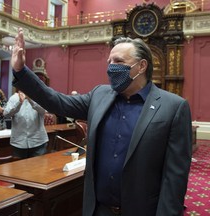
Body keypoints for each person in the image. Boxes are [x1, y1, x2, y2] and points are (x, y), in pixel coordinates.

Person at [10, 28, 193, 216]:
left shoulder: (174, 107)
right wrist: (21, 71)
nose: (111, 67)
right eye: (110, 62)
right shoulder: (99, 95)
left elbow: (175, 177)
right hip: (99, 210)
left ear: (142, 66)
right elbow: (57, 102)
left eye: (119, 61)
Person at [3, 88, 48, 159]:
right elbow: (6, 114)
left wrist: (30, 99)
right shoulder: (13, 98)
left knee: (39, 169)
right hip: (19, 142)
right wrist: (19, 103)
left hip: (37, 141)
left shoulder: (39, 97)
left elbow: (43, 111)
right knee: (19, 169)